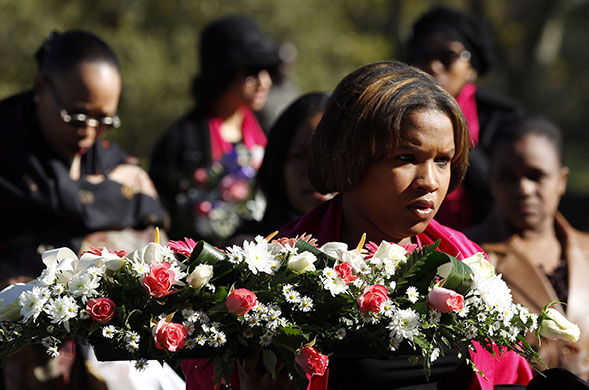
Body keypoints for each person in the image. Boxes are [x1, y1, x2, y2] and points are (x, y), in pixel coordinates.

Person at [183, 61, 533, 390]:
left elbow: (508, 374)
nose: (429, 180)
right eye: (405, 158)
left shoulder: (463, 258)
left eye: (443, 160)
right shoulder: (278, 270)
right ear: (350, 158)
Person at [0, 30, 173, 390]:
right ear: (41, 86)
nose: (90, 133)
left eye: (104, 121)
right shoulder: (7, 147)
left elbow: (149, 210)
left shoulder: (108, 158)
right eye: (76, 117)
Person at [466, 114, 589, 380]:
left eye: (536, 176)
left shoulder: (587, 250)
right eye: (508, 178)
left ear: (562, 180)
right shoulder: (468, 257)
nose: (523, 189)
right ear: (491, 180)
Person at [150, 15, 282, 245]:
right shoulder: (179, 142)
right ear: (223, 75)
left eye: (267, 71)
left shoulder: (267, 132)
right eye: (251, 72)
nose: (264, 82)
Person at [406, 6, 522, 230]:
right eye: (423, 55)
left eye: (447, 56)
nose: (433, 65)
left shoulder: (503, 120)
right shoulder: (389, 116)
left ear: (472, 68)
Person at [228, 92, 333, 245]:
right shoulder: (249, 248)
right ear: (278, 163)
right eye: (300, 156)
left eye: (329, 155)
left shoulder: (373, 251)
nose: (316, 170)